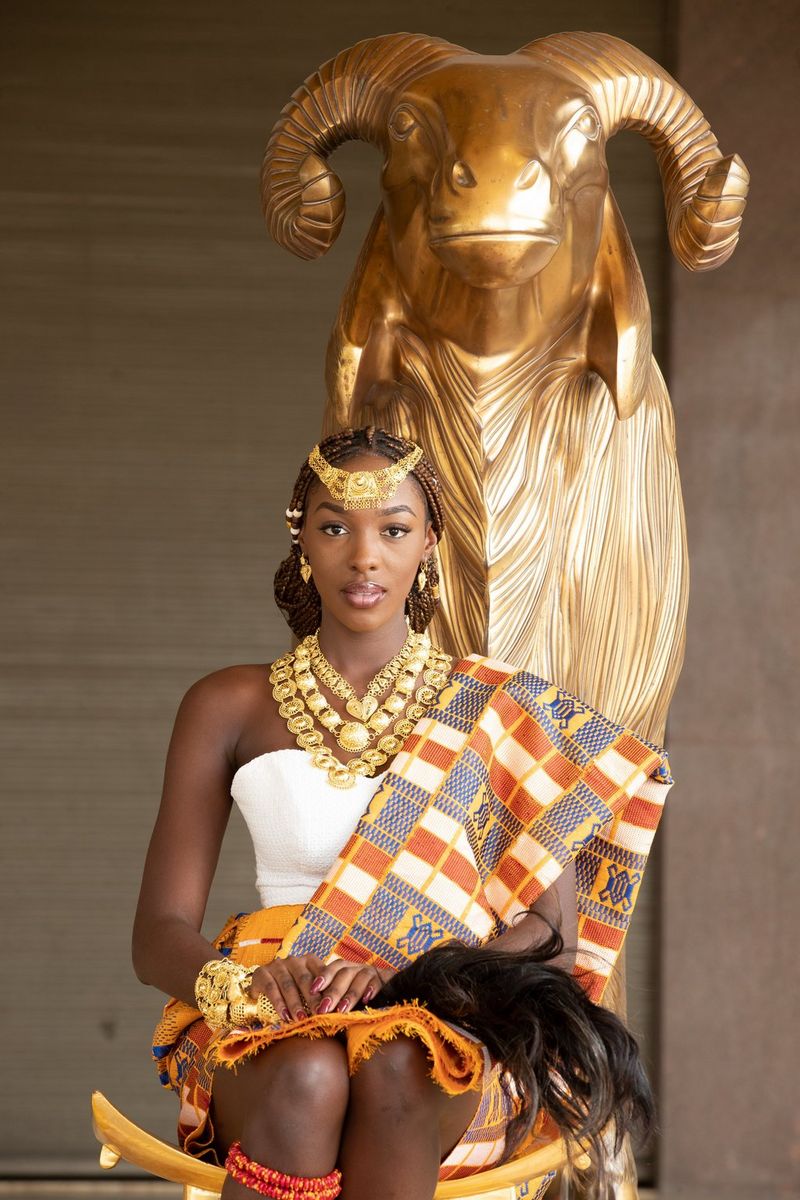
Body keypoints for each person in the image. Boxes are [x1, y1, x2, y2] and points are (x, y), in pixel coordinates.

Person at [133, 427, 669, 1200]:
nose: (364, 556)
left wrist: (404, 976)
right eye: (333, 527)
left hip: (443, 1017)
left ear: (429, 544)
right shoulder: (226, 705)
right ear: (301, 539)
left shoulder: (499, 710)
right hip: (271, 1003)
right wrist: (246, 990)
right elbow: (157, 936)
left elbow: (552, 938)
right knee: (310, 1072)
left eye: (393, 529)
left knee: (396, 1065)